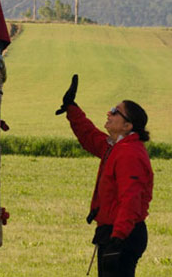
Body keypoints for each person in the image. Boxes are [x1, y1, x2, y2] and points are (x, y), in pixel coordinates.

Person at [56, 75, 153, 277]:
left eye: (116, 112)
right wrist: (72, 108)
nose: (109, 112)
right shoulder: (116, 147)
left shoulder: (129, 154)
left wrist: (118, 238)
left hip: (122, 233)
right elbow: (90, 136)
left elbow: (131, 200)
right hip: (115, 231)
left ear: (128, 126)